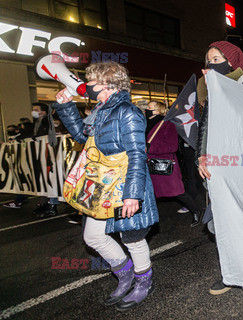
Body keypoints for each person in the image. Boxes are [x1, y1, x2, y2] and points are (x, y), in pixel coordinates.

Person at [54, 61, 158, 311]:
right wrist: (66, 107)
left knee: (132, 239)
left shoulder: (128, 112)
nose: (86, 86)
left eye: (91, 81)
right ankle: (125, 274)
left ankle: (144, 282)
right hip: (102, 186)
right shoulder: (100, 109)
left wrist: (132, 196)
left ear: (107, 85)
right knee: (92, 237)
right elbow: (82, 136)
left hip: (126, 186)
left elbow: (137, 155)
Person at [196, 40, 243, 295]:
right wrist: (202, 156)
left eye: (217, 59)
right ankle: (232, 271)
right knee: (218, 222)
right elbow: (206, 124)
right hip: (217, 165)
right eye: (209, 60)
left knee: (242, 220)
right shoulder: (211, 87)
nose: (212, 64)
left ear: (231, 61)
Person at [146, 118, 201, 227]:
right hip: (151, 165)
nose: (148, 108)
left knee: (178, 193)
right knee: (150, 194)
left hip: (165, 165)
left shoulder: (167, 125)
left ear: (158, 110)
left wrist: (150, 148)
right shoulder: (144, 124)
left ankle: (195, 211)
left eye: (151, 107)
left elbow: (172, 146)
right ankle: (147, 219)